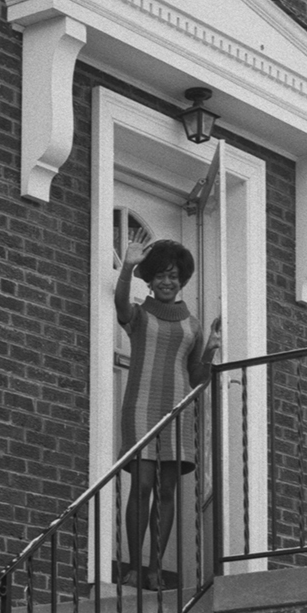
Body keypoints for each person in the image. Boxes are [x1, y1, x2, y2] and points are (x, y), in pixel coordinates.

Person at [116, 238, 221, 589]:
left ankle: (157, 568)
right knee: (142, 484)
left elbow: (197, 381)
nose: (167, 281)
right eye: (160, 275)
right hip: (141, 405)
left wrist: (210, 351)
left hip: (177, 410)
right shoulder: (139, 313)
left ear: (182, 279)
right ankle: (133, 566)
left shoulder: (192, 325)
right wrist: (128, 267)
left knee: (165, 490)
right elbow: (119, 308)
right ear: (150, 278)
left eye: (173, 276)